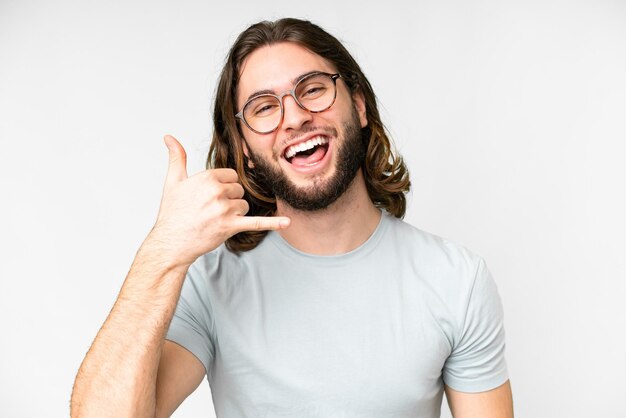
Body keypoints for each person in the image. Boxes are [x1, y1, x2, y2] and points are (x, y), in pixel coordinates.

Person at [71, 18, 513, 418]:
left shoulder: (457, 280)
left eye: (314, 89)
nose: (295, 117)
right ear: (244, 146)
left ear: (358, 105)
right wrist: (162, 251)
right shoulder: (212, 282)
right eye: (264, 107)